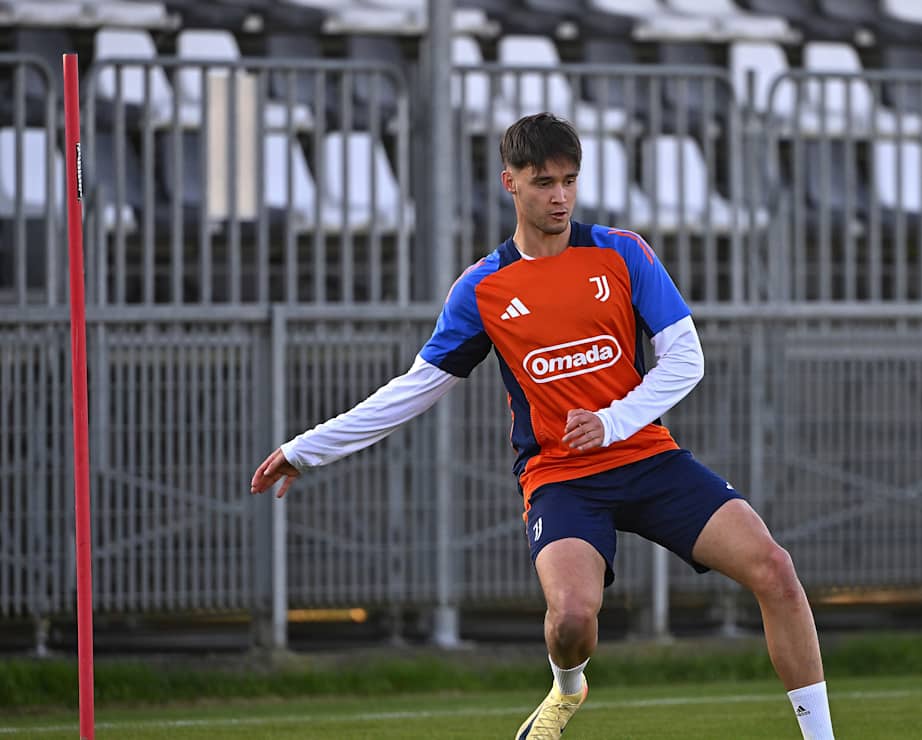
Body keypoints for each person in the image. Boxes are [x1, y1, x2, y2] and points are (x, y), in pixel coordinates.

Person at [249, 113, 836, 740]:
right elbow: (414, 390)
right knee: (573, 620)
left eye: (569, 181)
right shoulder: (483, 288)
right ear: (510, 182)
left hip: (648, 458)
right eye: (543, 182)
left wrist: (613, 422)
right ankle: (566, 688)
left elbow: (686, 357)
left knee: (775, 569)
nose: (559, 197)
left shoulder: (622, 252)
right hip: (562, 479)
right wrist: (306, 449)